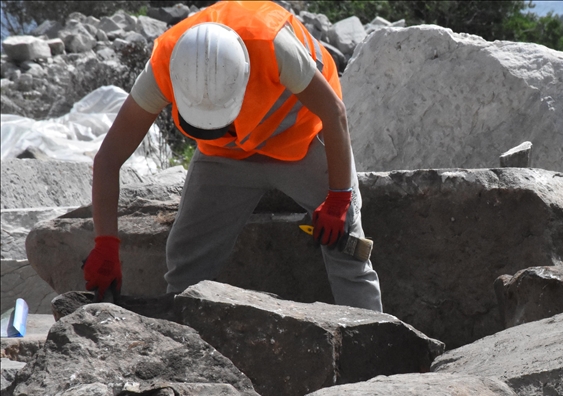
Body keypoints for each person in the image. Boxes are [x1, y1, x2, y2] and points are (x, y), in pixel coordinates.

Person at [83, 1, 382, 312]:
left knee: (347, 249)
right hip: (225, 156)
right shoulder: (167, 64)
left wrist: (338, 199)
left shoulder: (272, 45)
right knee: (186, 257)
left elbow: (334, 113)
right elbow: (108, 159)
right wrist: (105, 245)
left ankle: (375, 336)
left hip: (302, 141)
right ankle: (181, 333)